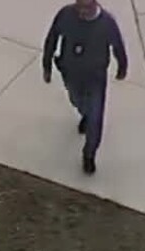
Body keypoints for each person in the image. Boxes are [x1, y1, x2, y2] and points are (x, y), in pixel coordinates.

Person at [41, 0, 128, 176]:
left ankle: (89, 154)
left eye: (85, 8)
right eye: (78, 6)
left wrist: (122, 67)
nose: (81, 12)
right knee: (77, 101)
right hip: (71, 73)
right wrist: (47, 65)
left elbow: (118, 46)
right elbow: (52, 39)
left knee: (96, 118)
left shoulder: (107, 24)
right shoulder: (66, 15)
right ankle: (85, 114)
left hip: (95, 78)